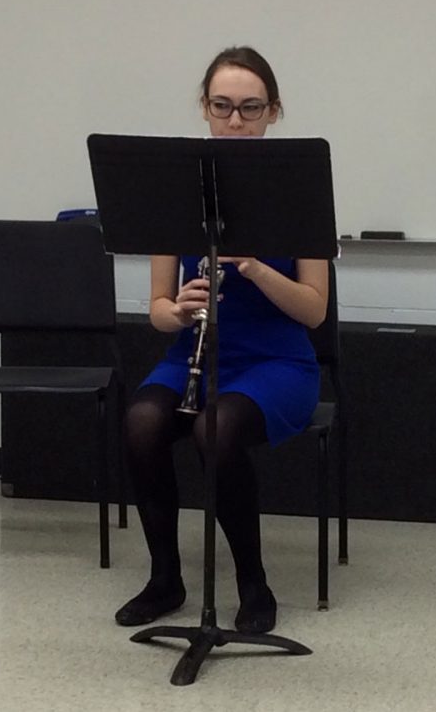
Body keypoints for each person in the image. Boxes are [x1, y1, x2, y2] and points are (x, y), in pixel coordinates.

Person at [115, 46, 328, 634]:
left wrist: (256, 267)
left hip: (278, 365)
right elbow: (157, 310)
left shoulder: (301, 192)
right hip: (194, 355)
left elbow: (314, 311)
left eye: (251, 108)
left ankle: (253, 582)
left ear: (274, 112)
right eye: (223, 106)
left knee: (217, 427)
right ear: (204, 109)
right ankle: (164, 579)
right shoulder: (174, 195)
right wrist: (179, 310)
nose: (236, 122)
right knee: (141, 421)